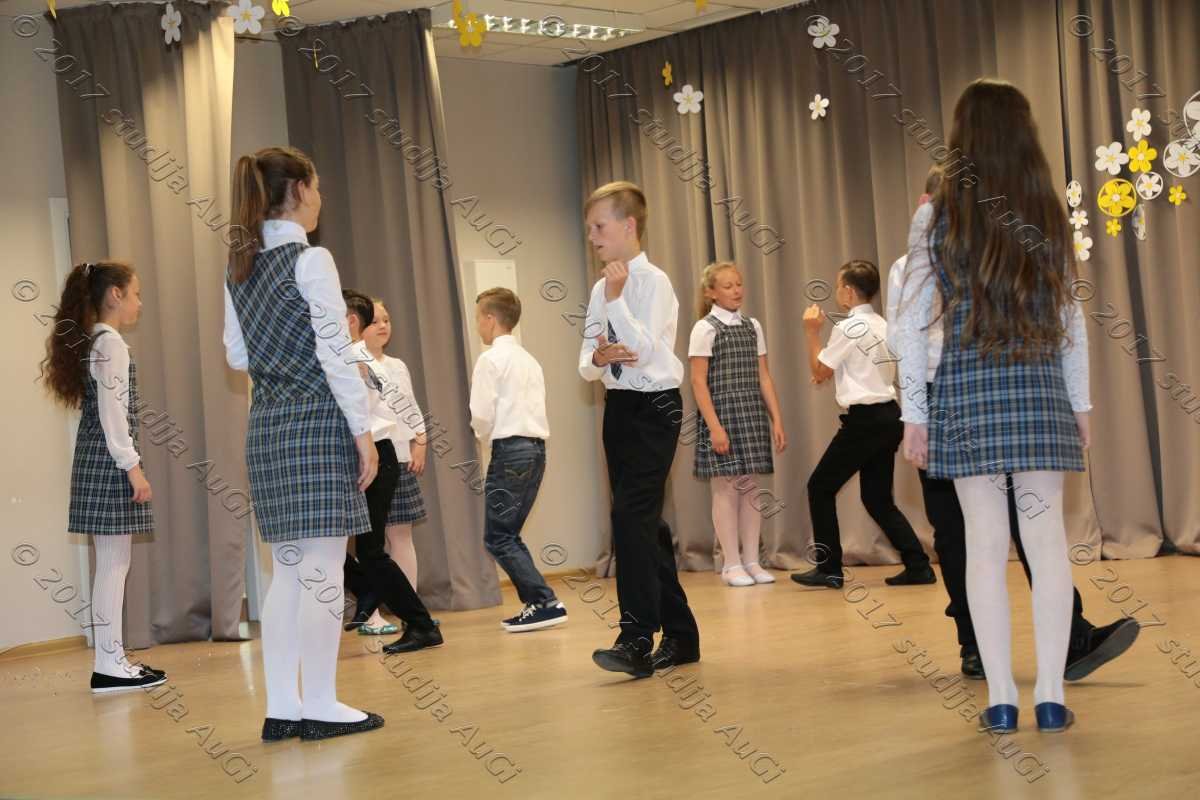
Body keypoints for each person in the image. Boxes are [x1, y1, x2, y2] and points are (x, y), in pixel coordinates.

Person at [886, 165, 1139, 682]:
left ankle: (1069, 638)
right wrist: (918, 411)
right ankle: (974, 644)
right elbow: (900, 336)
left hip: (998, 392)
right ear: (928, 205)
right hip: (942, 395)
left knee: (1032, 520)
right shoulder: (913, 261)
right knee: (958, 530)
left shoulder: (1002, 252)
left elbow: (1061, 317)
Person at [894, 79, 1090, 734]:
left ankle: (1002, 698)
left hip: (966, 390)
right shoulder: (1047, 208)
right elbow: (1071, 317)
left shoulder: (936, 216)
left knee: (982, 545)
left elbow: (911, 324)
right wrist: (1081, 403)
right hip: (1039, 388)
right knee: (1046, 540)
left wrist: (915, 414)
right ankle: (1052, 696)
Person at [224, 146, 383, 741]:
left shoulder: (238, 268)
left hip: (267, 424)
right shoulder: (311, 259)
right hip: (316, 422)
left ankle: (282, 707)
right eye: (315, 187)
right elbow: (336, 354)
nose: (320, 198)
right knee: (321, 570)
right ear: (297, 191)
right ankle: (320, 702)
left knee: (288, 573)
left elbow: (236, 354)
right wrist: (364, 432)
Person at [579, 181, 700, 678]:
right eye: (589, 228)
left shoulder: (654, 282)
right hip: (619, 408)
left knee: (631, 516)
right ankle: (682, 635)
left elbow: (645, 351)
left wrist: (615, 300)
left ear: (628, 226)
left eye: (599, 226)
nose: (592, 237)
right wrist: (597, 358)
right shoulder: (598, 288)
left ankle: (635, 637)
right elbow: (587, 360)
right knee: (643, 523)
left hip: (656, 408)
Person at [42, 260, 168, 694]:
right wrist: (133, 468)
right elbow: (115, 415)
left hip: (95, 460)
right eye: (135, 294)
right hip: (110, 464)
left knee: (111, 565)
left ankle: (109, 661)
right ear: (115, 294)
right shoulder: (110, 343)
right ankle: (110, 664)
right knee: (114, 565)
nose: (139, 303)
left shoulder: (95, 340)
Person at [792, 260, 934, 589]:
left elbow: (820, 371)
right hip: (890, 416)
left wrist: (811, 332)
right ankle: (918, 564)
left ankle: (829, 569)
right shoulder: (884, 325)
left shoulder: (848, 327)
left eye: (838, 286)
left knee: (820, 487)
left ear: (848, 291)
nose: (836, 291)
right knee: (877, 498)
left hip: (865, 420)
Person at [341, 290, 444, 655]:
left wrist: (420, 438)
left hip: (377, 454)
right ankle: (390, 606)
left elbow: (388, 406)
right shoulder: (353, 356)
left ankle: (416, 621)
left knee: (370, 549)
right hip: (371, 455)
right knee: (359, 548)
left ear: (350, 320)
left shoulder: (358, 359)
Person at [469, 287, 565, 632]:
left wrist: (485, 438)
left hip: (509, 451)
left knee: (498, 537)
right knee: (508, 533)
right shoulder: (529, 359)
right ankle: (541, 602)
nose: (478, 325)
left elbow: (481, 414)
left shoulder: (490, 360)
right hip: (536, 450)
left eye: (478, 318)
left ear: (490, 318)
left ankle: (544, 602)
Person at [688, 262, 786, 587]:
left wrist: (776, 419)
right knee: (727, 488)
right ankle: (731, 563)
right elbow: (698, 382)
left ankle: (752, 560)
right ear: (711, 293)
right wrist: (714, 427)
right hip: (722, 413)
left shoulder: (752, 325)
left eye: (739, 284)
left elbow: (764, 376)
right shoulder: (705, 328)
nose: (736, 291)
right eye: (728, 286)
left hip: (751, 411)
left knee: (751, 487)